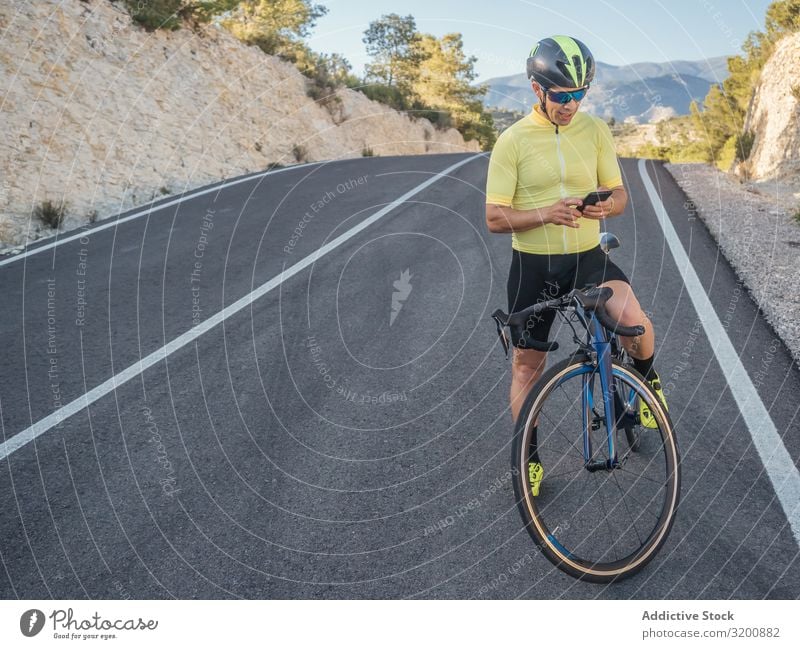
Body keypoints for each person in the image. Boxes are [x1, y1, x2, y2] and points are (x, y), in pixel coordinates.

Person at [485, 35, 667, 496]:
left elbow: (621, 194)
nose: (571, 105)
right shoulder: (512, 141)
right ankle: (528, 456)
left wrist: (608, 207)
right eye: (562, 95)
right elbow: (493, 217)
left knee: (633, 320)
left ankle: (648, 382)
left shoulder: (595, 131)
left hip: (588, 255)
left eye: (580, 94)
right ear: (536, 89)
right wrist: (548, 212)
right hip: (535, 266)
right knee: (528, 365)